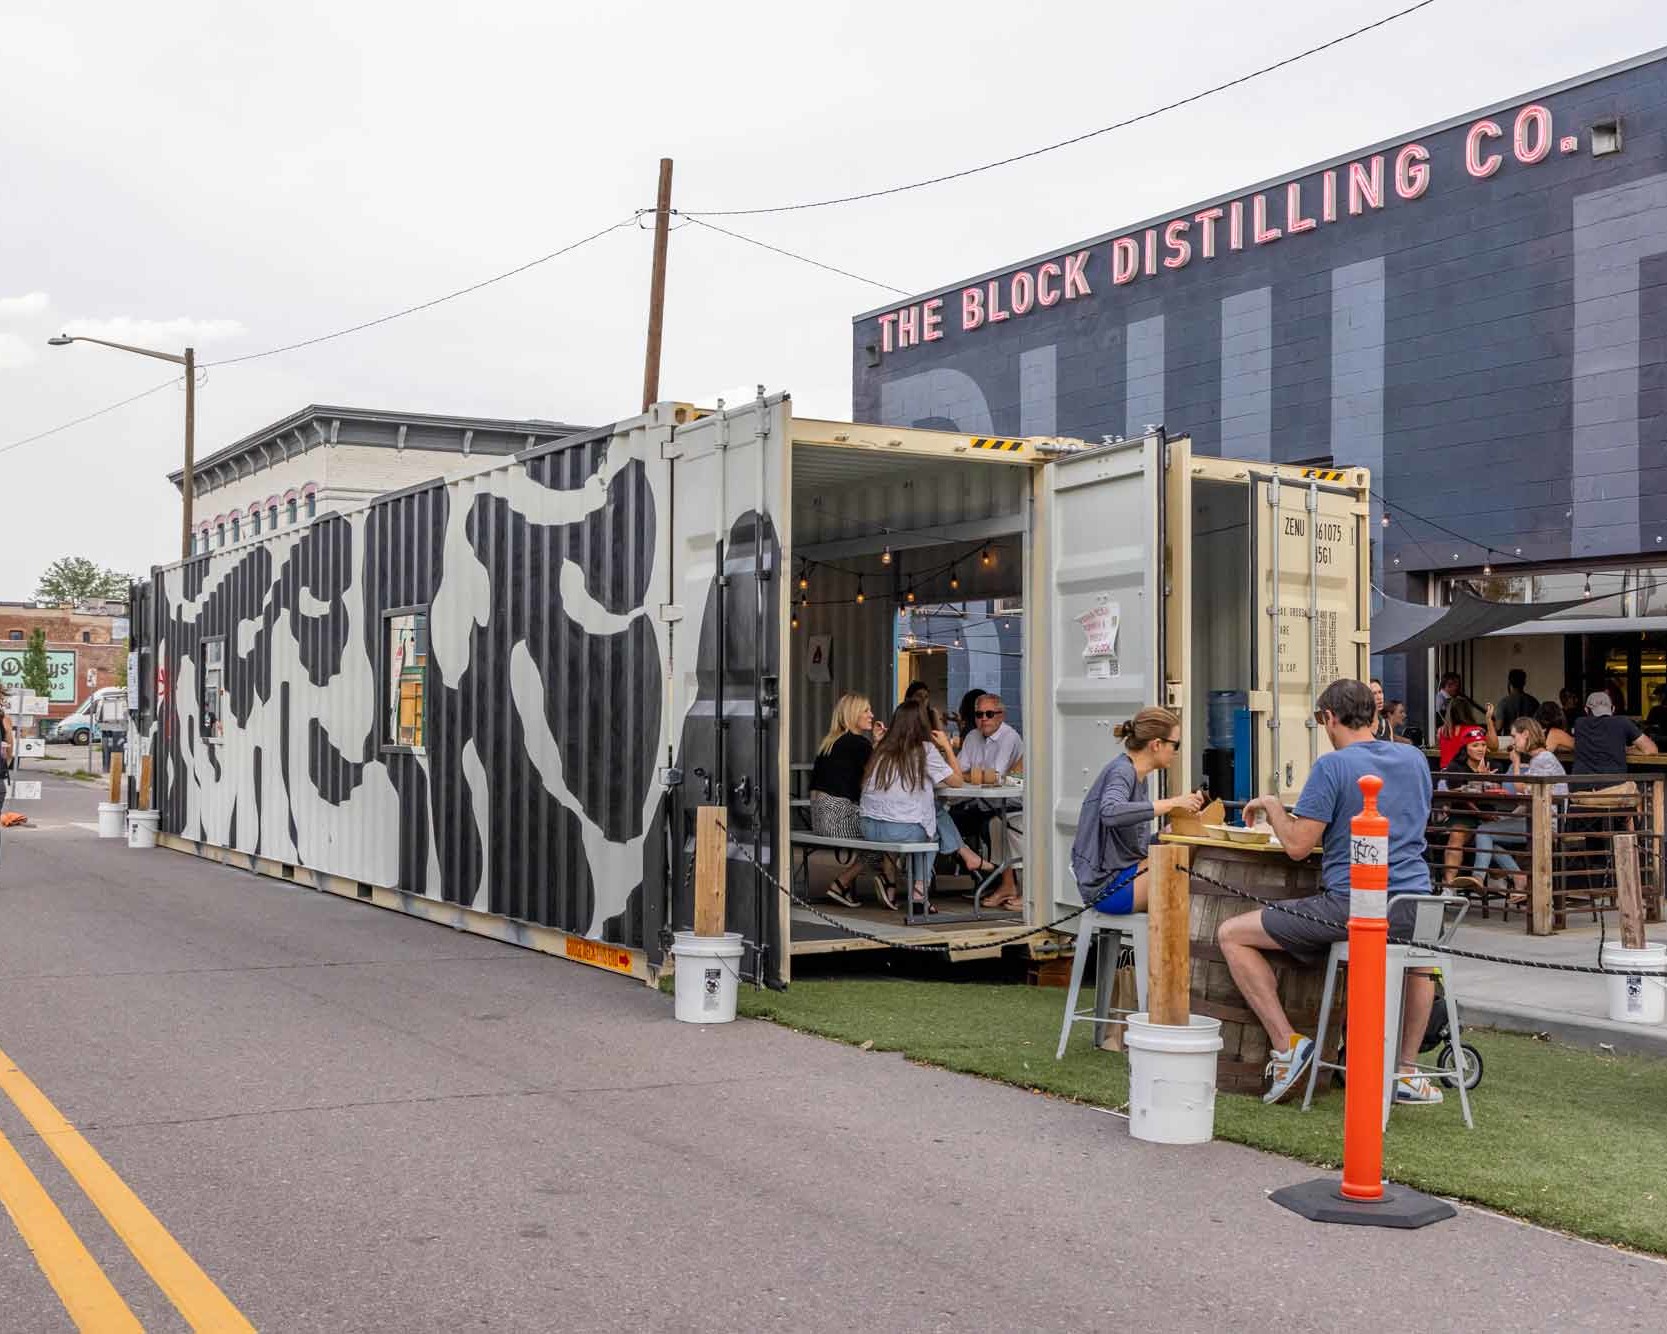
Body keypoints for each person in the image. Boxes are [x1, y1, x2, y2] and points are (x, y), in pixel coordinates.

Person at [1219, 679, 1443, 1106]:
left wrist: (1272, 806)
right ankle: (1406, 1071)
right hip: (1418, 903)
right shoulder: (1415, 759)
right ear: (1376, 718)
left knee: (1231, 934)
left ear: (1328, 718)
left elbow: (1299, 846)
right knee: (1419, 965)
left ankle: (1288, 1045)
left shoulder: (1332, 766)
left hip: (1353, 906)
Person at [860, 702, 996, 912]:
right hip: (897, 831)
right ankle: (920, 894)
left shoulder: (881, 749)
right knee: (931, 829)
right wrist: (947, 747)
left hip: (869, 828)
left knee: (932, 809)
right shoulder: (924, 749)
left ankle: (965, 854)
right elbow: (957, 782)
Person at [1070, 706, 1203, 917]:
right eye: (1175, 744)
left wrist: (1164, 835)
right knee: (1187, 855)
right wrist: (1172, 803)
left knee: (1187, 842)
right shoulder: (1123, 772)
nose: (1176, 752)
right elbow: (1111, 812)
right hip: (1107, 887)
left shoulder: (1138, 776)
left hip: (1122, 874)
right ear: (1157, 745)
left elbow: (1128, 847)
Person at [1462, 718, 1568, 906]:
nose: (1512, 742)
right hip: (1537, 818)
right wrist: (1508, 818)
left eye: (1514, 736)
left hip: (1544, 822)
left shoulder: (1543, 759)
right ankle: (1516, 878)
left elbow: (1520, 788)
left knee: (1484, 832)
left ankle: (1480, 877)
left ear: (1526, 734)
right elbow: (1528, 798)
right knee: (1485, 835)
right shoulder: (1541, 759)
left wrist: (1516, 762)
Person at [808, 692, 887, 908]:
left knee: (880, 831)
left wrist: (876, 744)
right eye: (866, 710)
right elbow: (873, 780)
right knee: (884, 836)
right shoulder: (858, 743)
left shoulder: (831, 742)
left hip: (820, 818)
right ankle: (842, 884)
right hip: (838, 817)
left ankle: (885, 879)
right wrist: (878, 745)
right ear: (853, 715)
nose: (871, 715)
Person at [954, 694, 1025, 909]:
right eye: (979, 714)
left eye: (989, 714)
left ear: (1001, 715)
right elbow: (957, 772)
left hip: (1010, 802)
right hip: (981, 802)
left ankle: (1001, 882)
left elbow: (995, 777)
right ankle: (986, 877)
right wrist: (974, 776)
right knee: (948, 823)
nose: (984, 719)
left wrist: (971, 776)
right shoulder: (973, 737)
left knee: (993, 824)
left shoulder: (1009, 737)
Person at [1439, 725, 1505, 887]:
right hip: (1464, 814)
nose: (1480, 749)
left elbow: (1499, 792)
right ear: (1465, 747)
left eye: (1483, 744)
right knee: (1456, 836)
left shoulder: (1494, 765)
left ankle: (1509, 879)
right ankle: (1449, 885)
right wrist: (1479, 779)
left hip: (1490, 814)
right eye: (1475, 745)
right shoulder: (1456, 767)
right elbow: (1461, 797)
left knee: (1502, 836)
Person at [1572, 690, 1658, 774]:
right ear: (1613, 708)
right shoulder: (1622, 721)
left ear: (1586, 710)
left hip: (1581, 785)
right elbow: (1651, 750)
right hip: (1614, 785)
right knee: (1658, 779)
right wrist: (1625, 750)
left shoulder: (1579, 723)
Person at [1436, 696, 1496, 769]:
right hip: (1462, 774)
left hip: (1444, 775)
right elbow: (1494, 746)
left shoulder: (1441, 731)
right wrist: (1489, 719)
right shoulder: (1475, 731)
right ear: (1468, 712)